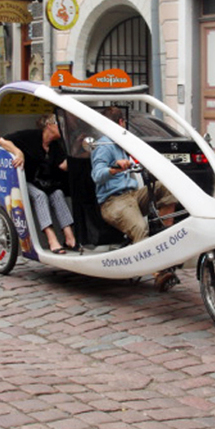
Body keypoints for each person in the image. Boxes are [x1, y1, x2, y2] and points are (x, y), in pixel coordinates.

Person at [90, 106, 178, 292]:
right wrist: (115, 168)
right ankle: (158, 273)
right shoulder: (104, 146)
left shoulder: (123, 143)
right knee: (140, 227)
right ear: (121, 123)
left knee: (167, 187)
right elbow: (97, 175)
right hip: (114, 201)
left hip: (133, 195)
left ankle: (165, 233)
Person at [0, 114, 78, 254]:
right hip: (25, 181)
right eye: (60, 125)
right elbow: (2, 141)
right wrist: (18, 153)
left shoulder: (55, 145)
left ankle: (69, 236)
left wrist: (79, 150)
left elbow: (63, 166)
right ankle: (51, 238)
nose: (64, 128)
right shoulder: (30, 136)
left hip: (45, 182)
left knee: (58, 194)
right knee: (40, 196)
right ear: (49, 126)